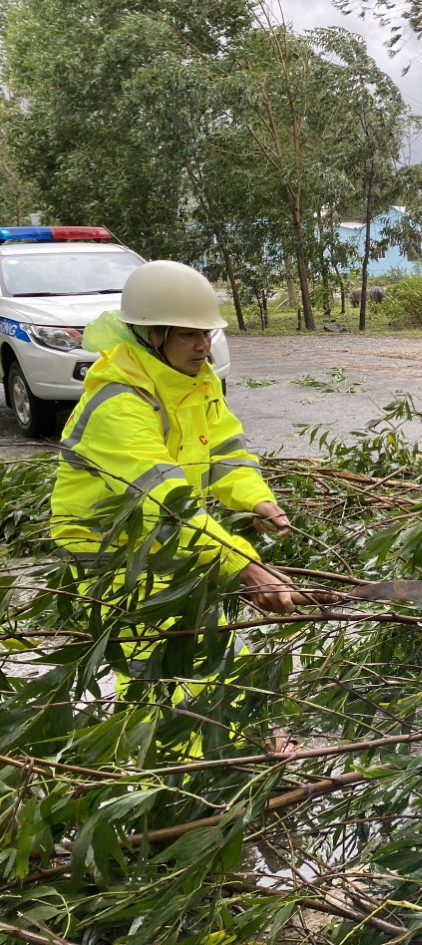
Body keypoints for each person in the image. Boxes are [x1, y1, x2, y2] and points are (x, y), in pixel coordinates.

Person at [50, 260, 297, 752]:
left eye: (207, 333)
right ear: (151, 335)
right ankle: (174, 768)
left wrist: (257, 500)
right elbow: (166, 505)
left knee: (216, 646)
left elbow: (226, 453)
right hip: (114, 558)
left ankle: (237, 745)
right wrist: (244, 565)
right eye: (189, 335)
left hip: (167, 546)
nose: (204, 345)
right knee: (160, 669)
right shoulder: (119, 404)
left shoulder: (196, 381)